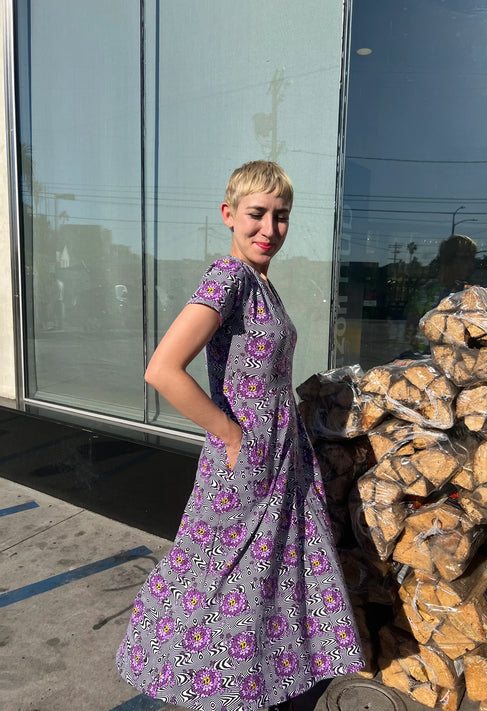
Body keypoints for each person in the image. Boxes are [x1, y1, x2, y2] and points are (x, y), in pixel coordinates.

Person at [116, 161, 365, 710]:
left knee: (262, 581)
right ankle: (204, 680)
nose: (269, 229)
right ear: (228, 214)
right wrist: (232, 435)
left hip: (280, 456)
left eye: (281, 216)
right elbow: (162, 370)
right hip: (249, 460)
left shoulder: (260, 283)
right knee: (222, 580)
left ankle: (254, 685)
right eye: (257, 214)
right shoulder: (229, 276)